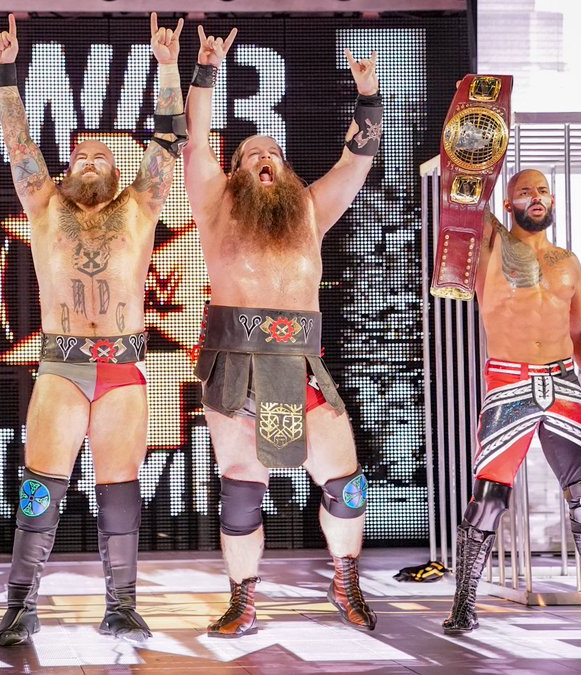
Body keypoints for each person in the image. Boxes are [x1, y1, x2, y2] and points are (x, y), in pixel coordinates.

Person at [0, 12, 185, 646]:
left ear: (119, 169)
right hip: (63, 363)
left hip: (124, 365)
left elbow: (168, 144)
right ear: (69, 165)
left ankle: (120, 604)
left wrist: (169, 68)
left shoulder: (140, 206)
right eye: (84, 153)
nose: (94, 159)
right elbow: (18, 144)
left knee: (120, 489)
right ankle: (21, 604)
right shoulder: (44, 205)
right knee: (40, 485)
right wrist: (8, 72)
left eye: (105, 154)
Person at [183, 24, 383, 637]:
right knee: (242, 489)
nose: (263, 159)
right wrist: (207, 71)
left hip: (297, 365)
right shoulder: (216, 205)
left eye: (273, 153)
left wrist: (370, 95)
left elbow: (359, 156)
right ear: (234, 171)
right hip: (235, 363)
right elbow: (194, 138)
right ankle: (243, 598)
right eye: (250, 155)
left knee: (344, 485)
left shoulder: (309, 210)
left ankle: (345, 580)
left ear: (289, 170)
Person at [441, 168, 581, 634]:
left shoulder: (567, 262)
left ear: (553, 200)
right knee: (489, 498)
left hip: (562, 383)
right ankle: (463, 605)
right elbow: (460, 193)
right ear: (509, 203)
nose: (534, 198)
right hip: (509, 382)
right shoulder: (491, 247)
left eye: (541, 191)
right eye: (524, 192)